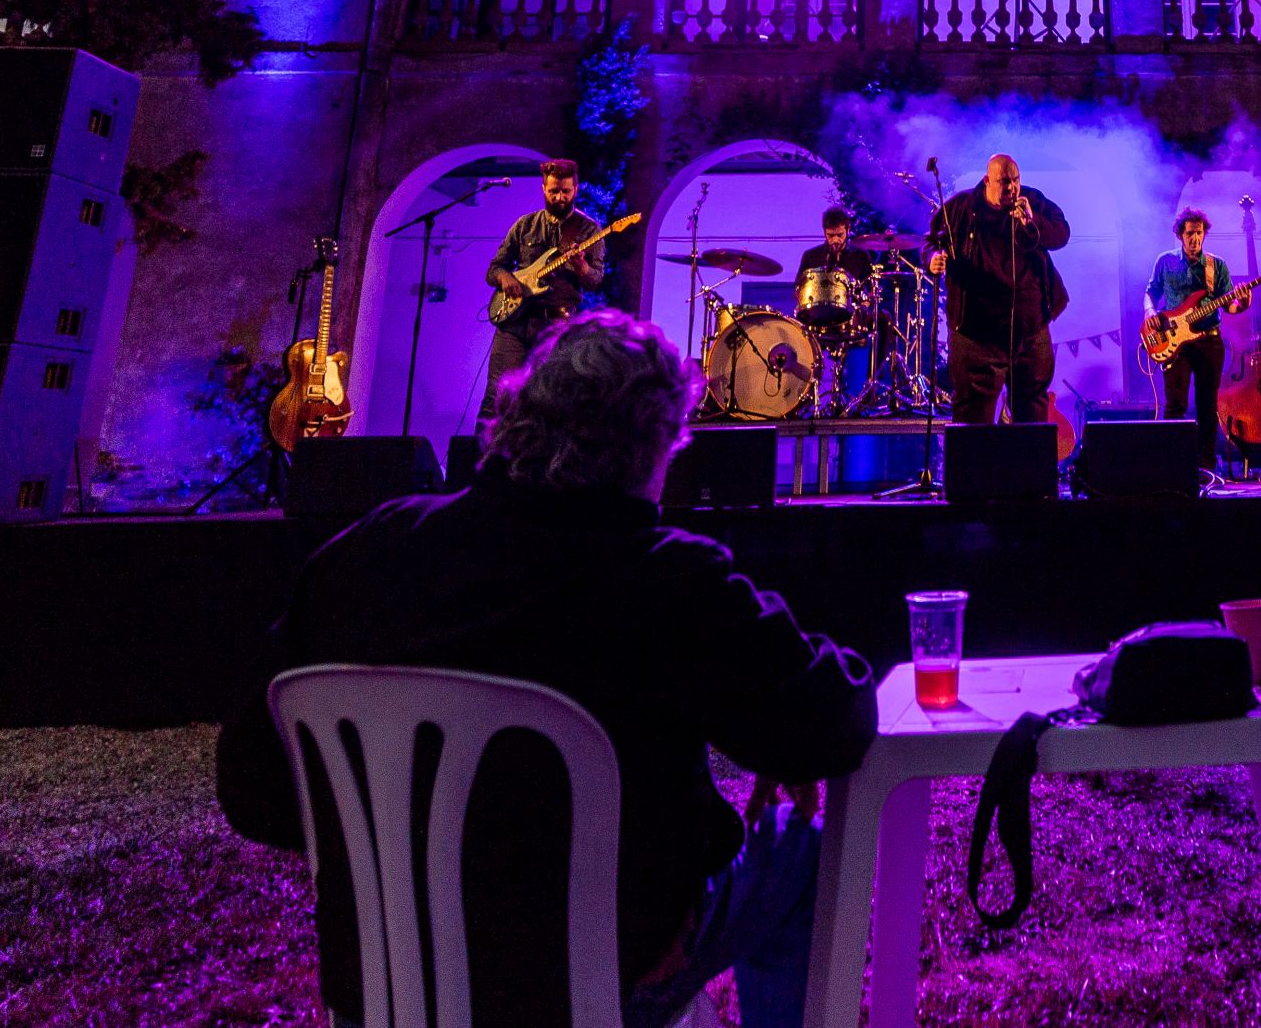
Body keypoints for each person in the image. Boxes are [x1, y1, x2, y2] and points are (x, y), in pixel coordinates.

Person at [218, 310, 875, 1028]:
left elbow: (252, 788)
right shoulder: (666, 578)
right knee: (800, 855)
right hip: (607, 969)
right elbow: (833, 723)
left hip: (386, 983)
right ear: (656, 446)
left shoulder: (363, 554)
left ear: (517, 415)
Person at [925, 153, 1070, 424]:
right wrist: (932, 258)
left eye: (1015, 180)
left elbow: (1062, 233)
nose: (1011, 188)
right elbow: (931, 242)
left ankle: (1030, 467)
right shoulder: (960, 207)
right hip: (977, 333)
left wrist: (1032, 221)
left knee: (1033, 413)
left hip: (1030, 329)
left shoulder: (1033, 201)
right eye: (1004, 181)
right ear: (987, 181)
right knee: (973, 418)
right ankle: (975, 468)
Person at [480, 159, 605, 422]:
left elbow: (594, 280)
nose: (560, 197)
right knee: (497, 396)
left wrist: (580, 266)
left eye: (566, 192)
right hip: (514, 322)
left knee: (546, 398)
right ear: (543, 189)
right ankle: (482, 459)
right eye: (553, 191)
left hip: (555, 323)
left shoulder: (588, 230)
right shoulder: (525, 225)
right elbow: (494, 268)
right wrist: (506, 279)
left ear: (576, 189)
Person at [1143, 209, 1250, 421]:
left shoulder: (1216, 265)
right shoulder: (1165, 261)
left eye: (1199, 233)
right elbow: (1150, 292)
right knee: (1175, 405)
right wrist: (1149, 311)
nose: (1195, 238)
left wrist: (1243, 304)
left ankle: (1206, 456)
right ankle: (1177, 454)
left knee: (1208, 406)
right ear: (1180, 235)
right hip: (1174, 341)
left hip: (1209, 341)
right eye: (1190, 233)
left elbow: (1229, 306)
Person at [796, 207, 885, 399]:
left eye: (839, 235)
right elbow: (799, 288)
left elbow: (869, 287)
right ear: (824, 233)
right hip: (820, 319)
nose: (835, 240)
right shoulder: (811, 256)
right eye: (830, 235)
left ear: (848, 229)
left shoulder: (860, 256)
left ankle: (867, 389)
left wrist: (867, 301)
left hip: (850, 317)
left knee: (884, 320)